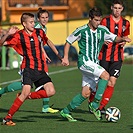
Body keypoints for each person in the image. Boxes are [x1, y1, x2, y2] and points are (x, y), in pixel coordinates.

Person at [60, 7, 131, 122]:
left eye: (99, 20)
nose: (98, 22)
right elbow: (68, 41)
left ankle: (65, 111)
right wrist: (66, 57)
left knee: (85, 93)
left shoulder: (102, 30)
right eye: (96, 20)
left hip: (94, 63)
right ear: (90, 19)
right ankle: (95, 105)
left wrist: (122, 38)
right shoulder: (81, 30)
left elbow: (114, 38)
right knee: (106, 76)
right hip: (85, 62)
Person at [0, 12, 62, 126]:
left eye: (34, 22)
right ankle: (7, 118)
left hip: (40, 69)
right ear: (24, 24)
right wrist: (7, 34)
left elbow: (46, 41)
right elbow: (1, 43)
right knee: (26, 90)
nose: (34, 24)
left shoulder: (39, 32)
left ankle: (24, 96)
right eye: (31, 22)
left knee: (51, 91)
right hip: (28, 68)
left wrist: (60, 56)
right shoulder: (19, 35)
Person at [88, 0, 130, 114]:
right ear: (111, 8)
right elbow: (96, 33)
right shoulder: (104, 21)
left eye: (119, 8)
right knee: (100, 82)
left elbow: (125, 37)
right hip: (104, 56)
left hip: (117, 57)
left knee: (112, 82)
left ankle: (101, 107)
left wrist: (124, 42)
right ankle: (92, 102)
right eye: (115, 7)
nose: (117, 10)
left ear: (122, 9)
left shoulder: (126, 23)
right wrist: (102, 40)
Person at [34, 8, 59, 113]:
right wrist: (44, 53)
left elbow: (43, 42)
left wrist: (45, 53)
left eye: (46, 17)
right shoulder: (37, 27)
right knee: (25, 83)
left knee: (45, 80)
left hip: (38, 57)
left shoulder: (43, 28)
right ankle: (2, 91)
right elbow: (37, 43)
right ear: (38, 19)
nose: (44, 20)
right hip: (32, 58)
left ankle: (45, 107)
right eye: (42, 18)